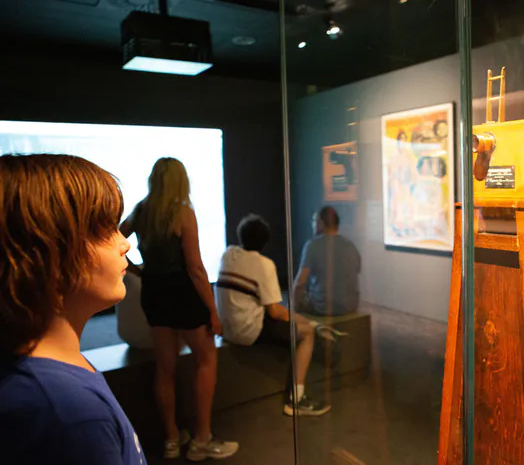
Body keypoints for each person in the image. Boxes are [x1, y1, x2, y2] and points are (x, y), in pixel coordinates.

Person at [0, 154, 146, 464]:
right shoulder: (68, 414)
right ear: (44, 253)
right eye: (103, 230)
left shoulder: (50, 377)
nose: (125, 244)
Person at [120, 157, 238, 461]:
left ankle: (171, 440)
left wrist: (137, 271)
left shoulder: (140, 212)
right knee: (206, 359)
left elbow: (113, 240)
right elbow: (196, 268)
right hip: (184, 296)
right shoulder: (183, 213)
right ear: (180, 181)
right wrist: (213, 311)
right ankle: (202, 440)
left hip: (155, 296)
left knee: (165, 368)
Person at [215, 214, 331, 417]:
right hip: (247, 331)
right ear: (265, 241)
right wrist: (308, 322)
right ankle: (297, 400)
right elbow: (276, 311)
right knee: (307, 334)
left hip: (225, 329)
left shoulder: (228, 254)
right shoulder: (264, 264)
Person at [293, 206, 361, 316]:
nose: (312, 224)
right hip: (350, 305)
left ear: (321, 223)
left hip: (322, 307)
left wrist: (294, 307)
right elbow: (356, 270)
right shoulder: (351, 245)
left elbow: (300, 283)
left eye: (314, 221)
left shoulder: (312, 245)